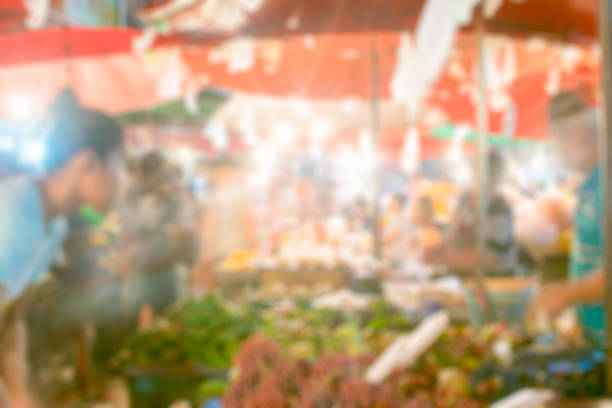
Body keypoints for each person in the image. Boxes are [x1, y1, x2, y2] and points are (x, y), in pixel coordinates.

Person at [0, 91, 124, 407]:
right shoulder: (13, 210)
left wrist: (21, 397)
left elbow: (14, 321)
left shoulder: (55, 227)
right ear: (88, 163)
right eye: (118, 167)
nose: (120, 183)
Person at [528, 90, 605, 346]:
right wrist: (568, 223)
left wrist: (567, 292)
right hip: (595, 340)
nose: (557, 146)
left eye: (561, 135)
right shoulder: (590, 187)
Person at [424, 150, 531, 276]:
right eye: (476, 172)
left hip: (494, 282)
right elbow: (454, 234)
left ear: (497, 177)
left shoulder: (499, 209)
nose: (479, 179)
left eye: (489, 174)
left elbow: (491, 258)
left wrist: (444, 258)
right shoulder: (465, 200)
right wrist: (438, 249)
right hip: (462, 277)